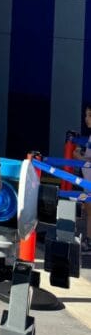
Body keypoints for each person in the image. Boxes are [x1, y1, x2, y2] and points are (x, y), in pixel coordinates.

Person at [72, 103, 91, 251]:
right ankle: (88, 240)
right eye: (86, 115)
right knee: (88, 211)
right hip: (87, 180)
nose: (86, 118)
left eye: (90, 115)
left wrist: (79, 156)